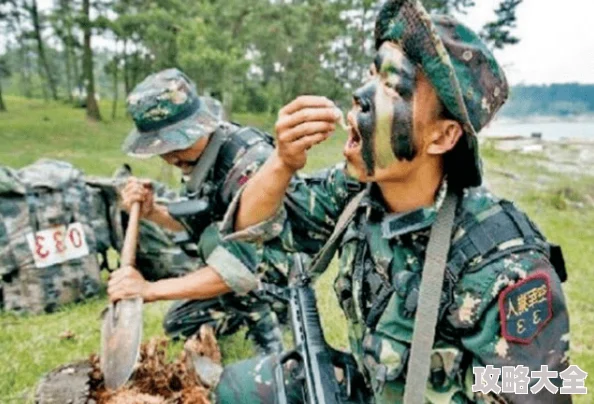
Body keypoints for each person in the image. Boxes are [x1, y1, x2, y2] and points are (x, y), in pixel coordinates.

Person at [215, 0, 571, 402]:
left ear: (442, 136)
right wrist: (281, 162)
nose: (361, 95)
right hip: (376, 391)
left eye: (393, 87)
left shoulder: (505, 265)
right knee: (243, 388)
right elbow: (253, 224)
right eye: (372, 74)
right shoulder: (356, 195)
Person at [107, 68, 287, 354]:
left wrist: (150, 290)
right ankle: (238, 313)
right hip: (231, 266)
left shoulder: (250, 163)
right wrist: (152, 211)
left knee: (223, 252)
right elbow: (197, 223)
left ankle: (270, 326)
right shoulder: (197, 159)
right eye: (161, 147)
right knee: (178, 323)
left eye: (176, 142)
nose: (169, 156)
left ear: (200, 125)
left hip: (271, 270)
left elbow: (244, 265)